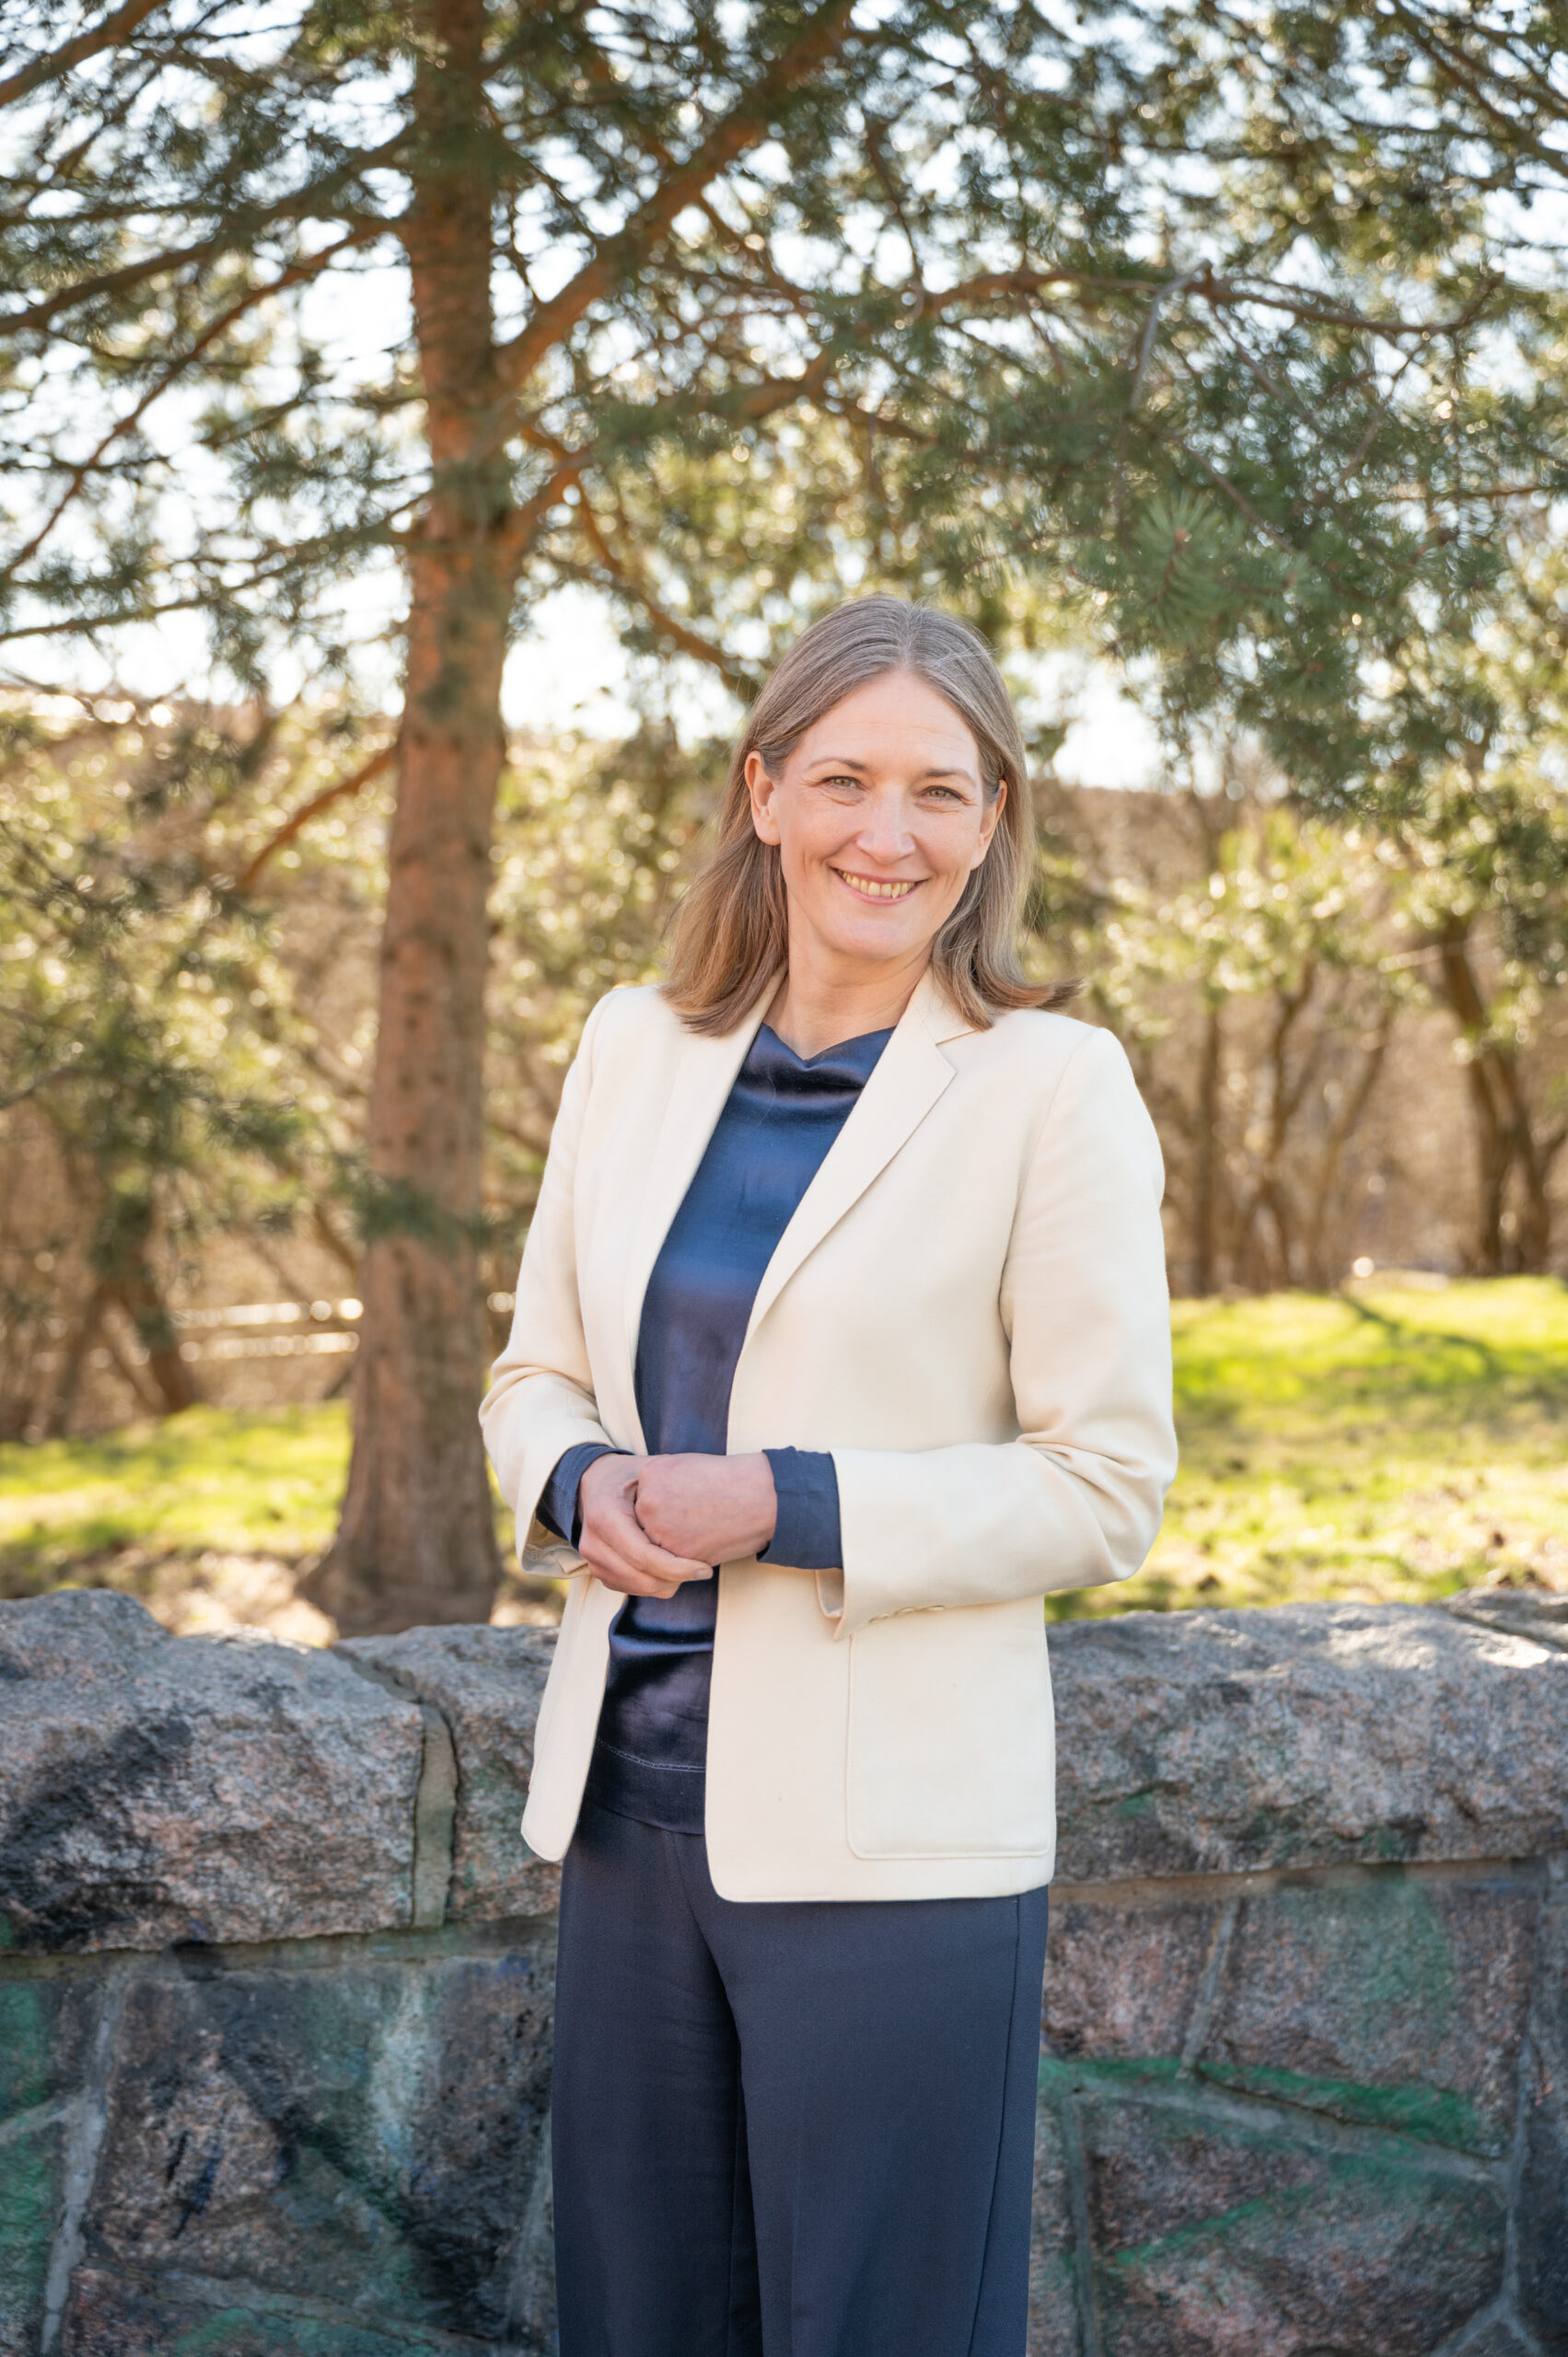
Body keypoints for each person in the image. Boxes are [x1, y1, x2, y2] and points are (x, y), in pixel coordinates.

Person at [480, 595, 1177, 2357]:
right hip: (629, 1820)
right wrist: (577, 1479)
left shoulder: (1051, 1088)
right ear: (765, 790)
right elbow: (535, 1370)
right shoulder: (633, 1048)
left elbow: (1104, 1482)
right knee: (638, 2328)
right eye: (848, 779)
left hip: (900, 1858)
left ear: (993, 821)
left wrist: (782, 1501)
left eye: (941, 792)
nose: (890, 832)